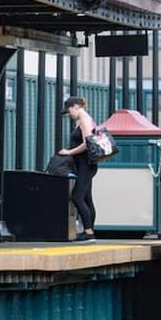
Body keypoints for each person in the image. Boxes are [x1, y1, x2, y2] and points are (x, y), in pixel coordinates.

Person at [58, 96, 97, 240]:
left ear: (75, 106)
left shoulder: (85, 120)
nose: (68, 115)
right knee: (86, 198)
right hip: (85, 164)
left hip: (86, 165)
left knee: (77, 196)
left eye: (69, 111)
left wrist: (69, 152)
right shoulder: (83, 120)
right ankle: (90, 231)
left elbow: (87, 144)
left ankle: (88, 232)